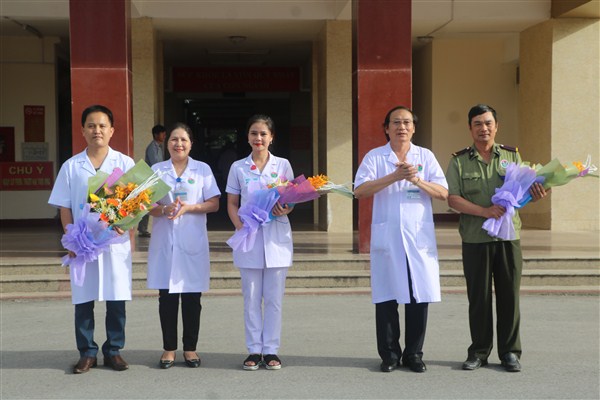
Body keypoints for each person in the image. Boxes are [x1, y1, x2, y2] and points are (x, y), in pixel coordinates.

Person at [446, 104, 549, 373]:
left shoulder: (512, 156)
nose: (484, 128)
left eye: (488, 123)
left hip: (508, 238)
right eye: (478, 124)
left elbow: (521, 193)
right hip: (475, 239)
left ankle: (510, 352)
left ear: (496, 126)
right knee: (478, 298)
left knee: (509, 296)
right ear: (470, 128)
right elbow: (453, 199)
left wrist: (536, 193)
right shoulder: (459, 161)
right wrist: (485, 212)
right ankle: (479, 352)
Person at [354, 105, 448, 373]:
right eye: (396, 122)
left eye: (407, 122)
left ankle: (414, 354)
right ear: (386, 128)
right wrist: (394, 176)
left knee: (419, 296)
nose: (402, 127)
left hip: (418, 239)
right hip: (388, 238)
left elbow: (443, 193)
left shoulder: (425, 156)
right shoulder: (375, 157)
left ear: (414, 128)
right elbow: (359, 190)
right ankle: (390, 355)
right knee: (386, 297)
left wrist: (416, 180)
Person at [48, 105, 134, 374]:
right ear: (83, 130)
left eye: (102, 125)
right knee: (83, 299)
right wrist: (71, 240)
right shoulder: (71, 166)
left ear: (112, 130)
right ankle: (87, 352)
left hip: (114, 243)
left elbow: (135, 204)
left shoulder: (124, 164)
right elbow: (64, 207)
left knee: (116, 298)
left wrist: (124, 225)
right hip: (83, 244)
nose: (97, 130)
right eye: (91, 125)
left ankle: (114, 350)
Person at [146, 122, 220, 369]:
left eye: (183, 140)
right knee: (166, 299)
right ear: (167, 144)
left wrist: (190, 208)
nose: (178, 144)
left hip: (192, 241)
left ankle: (190, 348)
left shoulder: (202, 169)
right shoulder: (157, 170)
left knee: (192, 298)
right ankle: (169, 349)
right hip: (165, 242)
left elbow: (214, 203)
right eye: (174, 140)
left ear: (191, 144)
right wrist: (163, 209)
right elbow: (146, 205)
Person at [226, 114, 294, 371]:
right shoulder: (238, 167)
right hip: (250, 237)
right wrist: (241, 226)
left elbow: (291, 200)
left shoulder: (282, 165)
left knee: (274, 299)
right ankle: (254, 350)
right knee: (252, 298)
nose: (258, 138)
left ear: (271, 137)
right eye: (254, 133)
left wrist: (285, 209)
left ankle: (271, 350)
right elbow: (232, 203)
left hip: (277, 238)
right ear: (247, 137)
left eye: (263, 134)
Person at [138, 124, 166, 237]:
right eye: (162, 134)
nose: (164, 136)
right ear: (156, 135)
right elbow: (156, 165)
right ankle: (142, 228)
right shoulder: (152, 148)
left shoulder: (159, 147)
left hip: (156, 179)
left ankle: (143, 228)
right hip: (150, 180)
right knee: (147, 203)